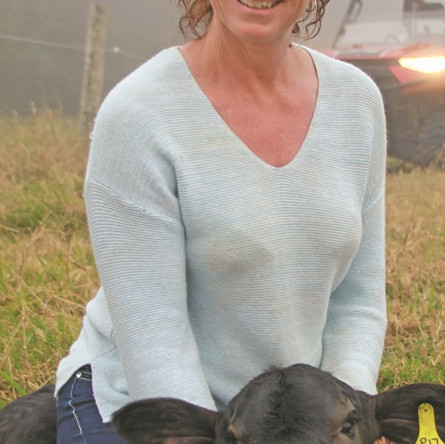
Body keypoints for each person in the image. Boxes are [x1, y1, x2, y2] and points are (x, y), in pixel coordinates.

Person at [54, 0, 388, 442]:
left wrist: (348, 417)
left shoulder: (357, 102)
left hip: (291, 415)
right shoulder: (138, 114)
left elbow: (358, 301)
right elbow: (154, 339)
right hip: (149, 406)